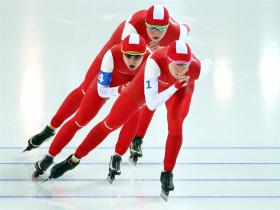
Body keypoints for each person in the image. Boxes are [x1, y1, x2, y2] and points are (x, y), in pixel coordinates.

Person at [47, 40, 212, 201]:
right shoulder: (154, 63)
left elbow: (209, 63)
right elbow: (152, 103)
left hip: (181, 89)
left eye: (185, 64)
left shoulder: (196, 69)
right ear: (168, 60)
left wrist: (178, 85)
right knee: (111, 122)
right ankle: (74, 158)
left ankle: (167, 174)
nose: (182, 69)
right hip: (151, 89)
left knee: (176, 126)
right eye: (177, 64)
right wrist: (175, 85)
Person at [23, 5, 191, 157]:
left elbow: (185, 32)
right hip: (121, 52)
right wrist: (151, 49)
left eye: (160, 29)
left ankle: (132, 142)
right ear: (145, 23)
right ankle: (50, 128)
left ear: (168, 27)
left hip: (142, 60)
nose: (156, 33)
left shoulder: (177, 33)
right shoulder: (133, 24)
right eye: (151, 28)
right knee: (85, 88)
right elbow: (126, 51)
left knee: (139, 103)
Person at [31, 34, 148, 180]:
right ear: (122, 52)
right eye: (129, 55)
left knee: (132, 114)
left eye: (137, 57)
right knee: (80, 120)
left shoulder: (150, 61)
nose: (132, 60)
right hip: (108, 87)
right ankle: (49, 156)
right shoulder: (111, 55)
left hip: (131, 91)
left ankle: (110, 156)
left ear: (144, 55)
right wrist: (120, 89)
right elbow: (102, 91)